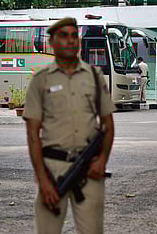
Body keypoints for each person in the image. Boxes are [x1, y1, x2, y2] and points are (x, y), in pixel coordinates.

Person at [23, 17, 116, 234]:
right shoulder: (40, 80)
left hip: (90, 171)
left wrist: (102, 160)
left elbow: (108, 126)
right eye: (63, 36)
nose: (71, 41)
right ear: (51, 43)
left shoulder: (94, 76)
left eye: (75, 35)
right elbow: (32, 135)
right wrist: (43, 180)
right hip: (52, 170)